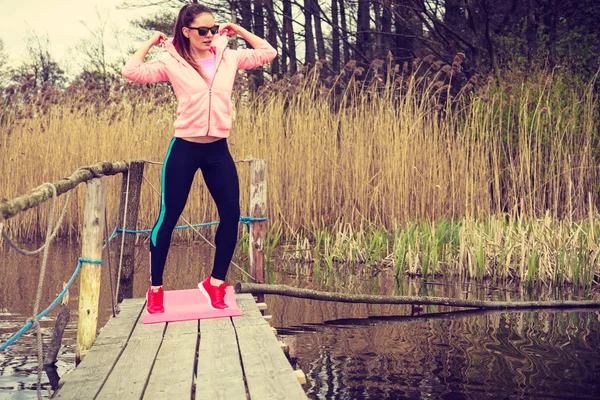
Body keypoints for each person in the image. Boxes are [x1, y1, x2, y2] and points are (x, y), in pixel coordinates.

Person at [122, 3, 276, 314]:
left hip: (218, 149)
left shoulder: (228, 57)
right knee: (168, 217)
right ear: (186, 32)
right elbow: (131, 71)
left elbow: (267, 52)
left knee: (231, 215)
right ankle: (155, 288)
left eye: (213, 29)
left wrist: (238, 31)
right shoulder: (171, 62)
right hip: (185, 149)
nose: (210, 35)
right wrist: (151, 42)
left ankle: (215, 283)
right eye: (202, 30)